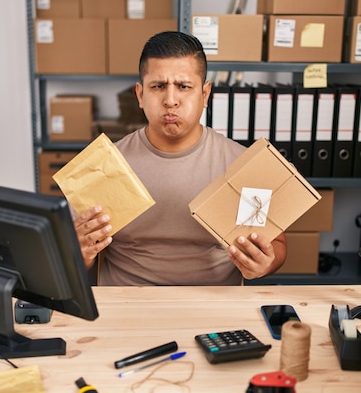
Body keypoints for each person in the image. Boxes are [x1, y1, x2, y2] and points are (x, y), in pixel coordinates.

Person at [74, 31, 286, 285]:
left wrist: (265, 263)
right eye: (158, 86)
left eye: (184, 87)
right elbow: (80, 256)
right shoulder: (103, 167)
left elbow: (276, 243)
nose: (170, 101)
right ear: (140, 95)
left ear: (205, 94)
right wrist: (81, 253)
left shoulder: (241, 164)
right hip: (128, 309)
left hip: (213, 311)